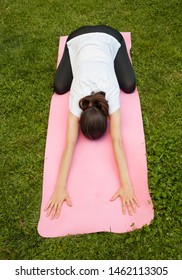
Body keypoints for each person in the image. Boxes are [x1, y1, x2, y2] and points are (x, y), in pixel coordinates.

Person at [44, 25, 140, 220]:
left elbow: (117, 142)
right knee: (60, 87)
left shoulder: (111, 98)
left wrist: (127, 184)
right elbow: (69, 145)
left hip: (110, 37)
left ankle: (114, 48)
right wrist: (59, 187)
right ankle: (75, 50)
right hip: (78, 38)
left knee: (129, 86)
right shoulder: (77, 100)